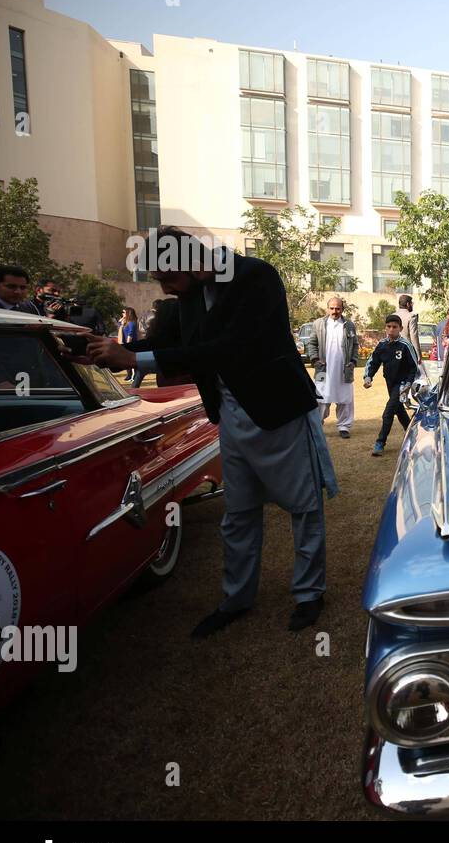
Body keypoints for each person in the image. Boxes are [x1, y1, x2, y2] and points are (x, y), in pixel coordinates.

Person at [85, 226, 337, 637]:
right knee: (238, 513)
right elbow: (163, 342)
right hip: (229, 416)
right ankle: (235, 597)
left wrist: (134, 356)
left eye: (167, 277)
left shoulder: (256, 276)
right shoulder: (185, 297)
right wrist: (89, 349)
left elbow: (231, 345)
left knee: (304, 507)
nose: (165, 289)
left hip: (279, 410)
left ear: (190, 260)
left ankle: (309, 593)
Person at [364, 314, 420, 457]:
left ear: (400, 328)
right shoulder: (382, 345)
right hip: (390, 382)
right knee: (399, 410)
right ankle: (414, 435)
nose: (391, 330)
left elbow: (414, 367)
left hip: (402, 385)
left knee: (388, 412)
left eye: (394, 327)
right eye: (388, 327)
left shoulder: (406, 345)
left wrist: (408, 384)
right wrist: (368, 376)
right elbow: (373, 362)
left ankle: (380, 442)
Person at [306, 296, 358, 438]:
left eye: (338, 308)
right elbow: (312, 343)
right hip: (323, 370)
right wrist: (315, 359)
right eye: (332, 308)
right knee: (321, 396)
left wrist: (353, 361)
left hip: (344, 370)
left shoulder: (349, 325)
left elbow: (355, 345)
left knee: (345, 398)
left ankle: (344, 426)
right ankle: (317, 425)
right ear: (327, 308)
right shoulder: (319, 324)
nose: (335, 311)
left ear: (342, 309)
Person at [117, 306, 140, 381]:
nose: (122, 313)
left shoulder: (132, 323)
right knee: (126, 359)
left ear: (128, 313)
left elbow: (130, 334)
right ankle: (129, 374)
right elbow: (119, 325)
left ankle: (135, 375)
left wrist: (128, 344)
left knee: (132, 359)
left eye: (123, 312)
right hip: (124, 342)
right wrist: (121, 321)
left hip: (131, 343)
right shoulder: (125, 322)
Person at [396, 293, 421, 359]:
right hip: (407, 351)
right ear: (408, 304)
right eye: (411, 303)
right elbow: (414, 337)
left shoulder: (392, 316)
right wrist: (418, 355)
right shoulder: (411, 317)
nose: (412, 305)